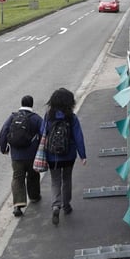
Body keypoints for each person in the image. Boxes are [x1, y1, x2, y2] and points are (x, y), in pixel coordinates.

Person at [40, 87, 87, 226]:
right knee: (67, 179)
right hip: (69, 154)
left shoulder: (48, 116)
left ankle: (56, 206)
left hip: (52, 155)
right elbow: (78, 137)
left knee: (55, 181)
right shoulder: (71, 117)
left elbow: (43, 132)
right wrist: (82, 155)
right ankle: (66, 205)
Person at [0, 95, 43, 217]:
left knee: (17, 178)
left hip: (16, 155)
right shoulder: (36, 119)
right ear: (32, 105)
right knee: (33, 175)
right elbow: (44, 134)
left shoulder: (13, 117)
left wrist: (4, 148)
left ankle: (18, 205)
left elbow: (3, 131)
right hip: (32, 155)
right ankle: (34, 197)